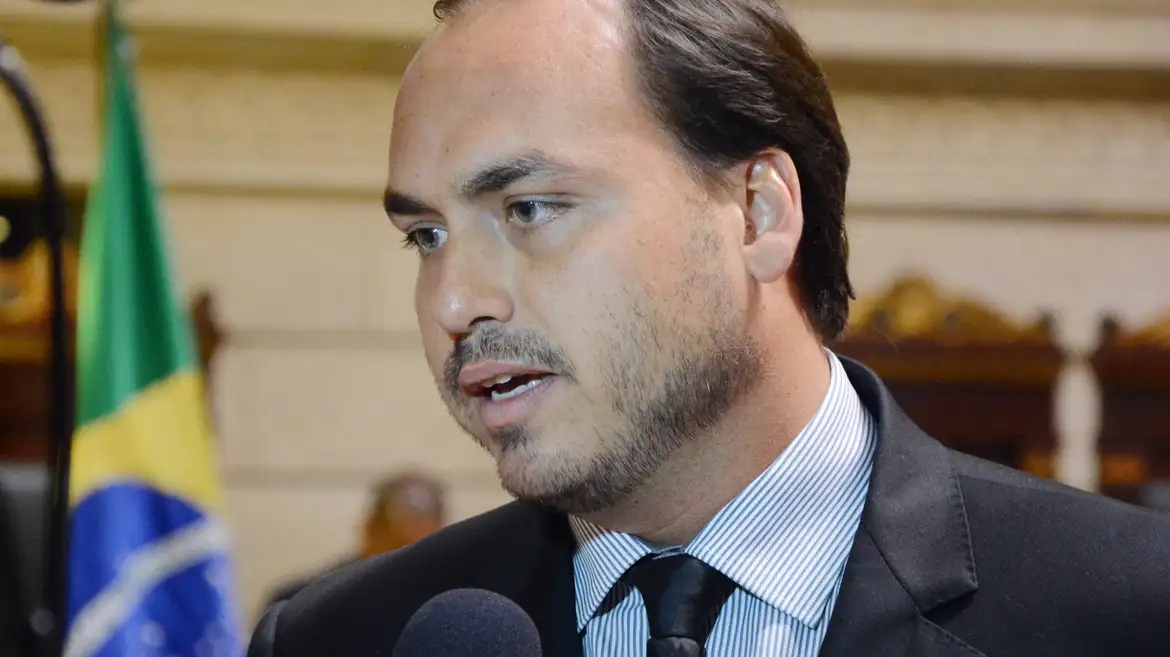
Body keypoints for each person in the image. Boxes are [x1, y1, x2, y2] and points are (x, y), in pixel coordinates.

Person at [249, 1, 1170, 655]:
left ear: (757, 213)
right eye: (426, 236)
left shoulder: (1129, 608)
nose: (454, 303)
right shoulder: (340, 637)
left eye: (529, 208)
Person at [260, 473, 445, 609]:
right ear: (369, 529)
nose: (411, 564)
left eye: (424, 551)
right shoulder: (298, 605)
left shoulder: (442, 607)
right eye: (400, 547)